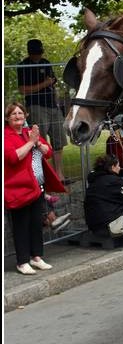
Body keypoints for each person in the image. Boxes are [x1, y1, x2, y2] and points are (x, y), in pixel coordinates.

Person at [4, 102, 66, 275]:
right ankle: (22, 261)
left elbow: (48, 151)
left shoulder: (29, 132)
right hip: (19, 187)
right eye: (14, 114)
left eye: (20, 113)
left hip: (36, 187)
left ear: (26, 116)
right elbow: (13, 157)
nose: (18, 116)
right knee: (21, 226)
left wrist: (36, 142)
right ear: (7, 118)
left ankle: (36, 256)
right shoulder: (6, 136)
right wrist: (31, 142)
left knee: (35, 224)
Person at [17, 39, 69, 184]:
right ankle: (45, 176)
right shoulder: (23, 66)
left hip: (53, 106)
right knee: (40, 142)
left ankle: (60, 176)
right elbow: (23, 90)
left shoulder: (46, 62)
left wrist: (55, 99)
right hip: (36, 106)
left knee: (59, 141)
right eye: (35, 53)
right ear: (30, 52)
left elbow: (53, 81)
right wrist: (44, 84)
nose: (38, 56)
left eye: (39, 53)